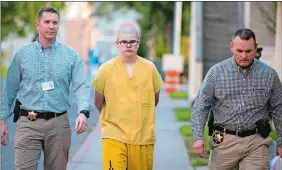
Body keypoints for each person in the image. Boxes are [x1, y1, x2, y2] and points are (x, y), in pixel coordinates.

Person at [1, 6, 91, 170]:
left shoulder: (71, 56)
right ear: (38, 24)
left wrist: (84, 112)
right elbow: (9, 89)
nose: (51, 26)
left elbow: (81, 86)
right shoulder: (22, 54)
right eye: (47, 22)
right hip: (28, 122)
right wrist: (1, 120)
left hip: (58, 124)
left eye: (55, 22)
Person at [190, 28, 282, 169]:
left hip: (256, 141)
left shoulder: (269, 75)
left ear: (256, 47)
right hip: (224, 140)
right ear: (231, 47)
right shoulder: (216, 73)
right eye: (239, 51)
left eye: (248, 51)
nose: (244, 56)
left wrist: (281, 142)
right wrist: (198, 137)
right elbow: (200, 105)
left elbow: (279, 109)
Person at [92, 24, 163, 170]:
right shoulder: (105, 70)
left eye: (132, 41)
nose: (128, 45)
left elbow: (154, 99)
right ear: (117, 44)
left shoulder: (150, 69)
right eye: (124, 41)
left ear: (138, 43)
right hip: (114, 135)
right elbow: (98, 102)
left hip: (143, 138)